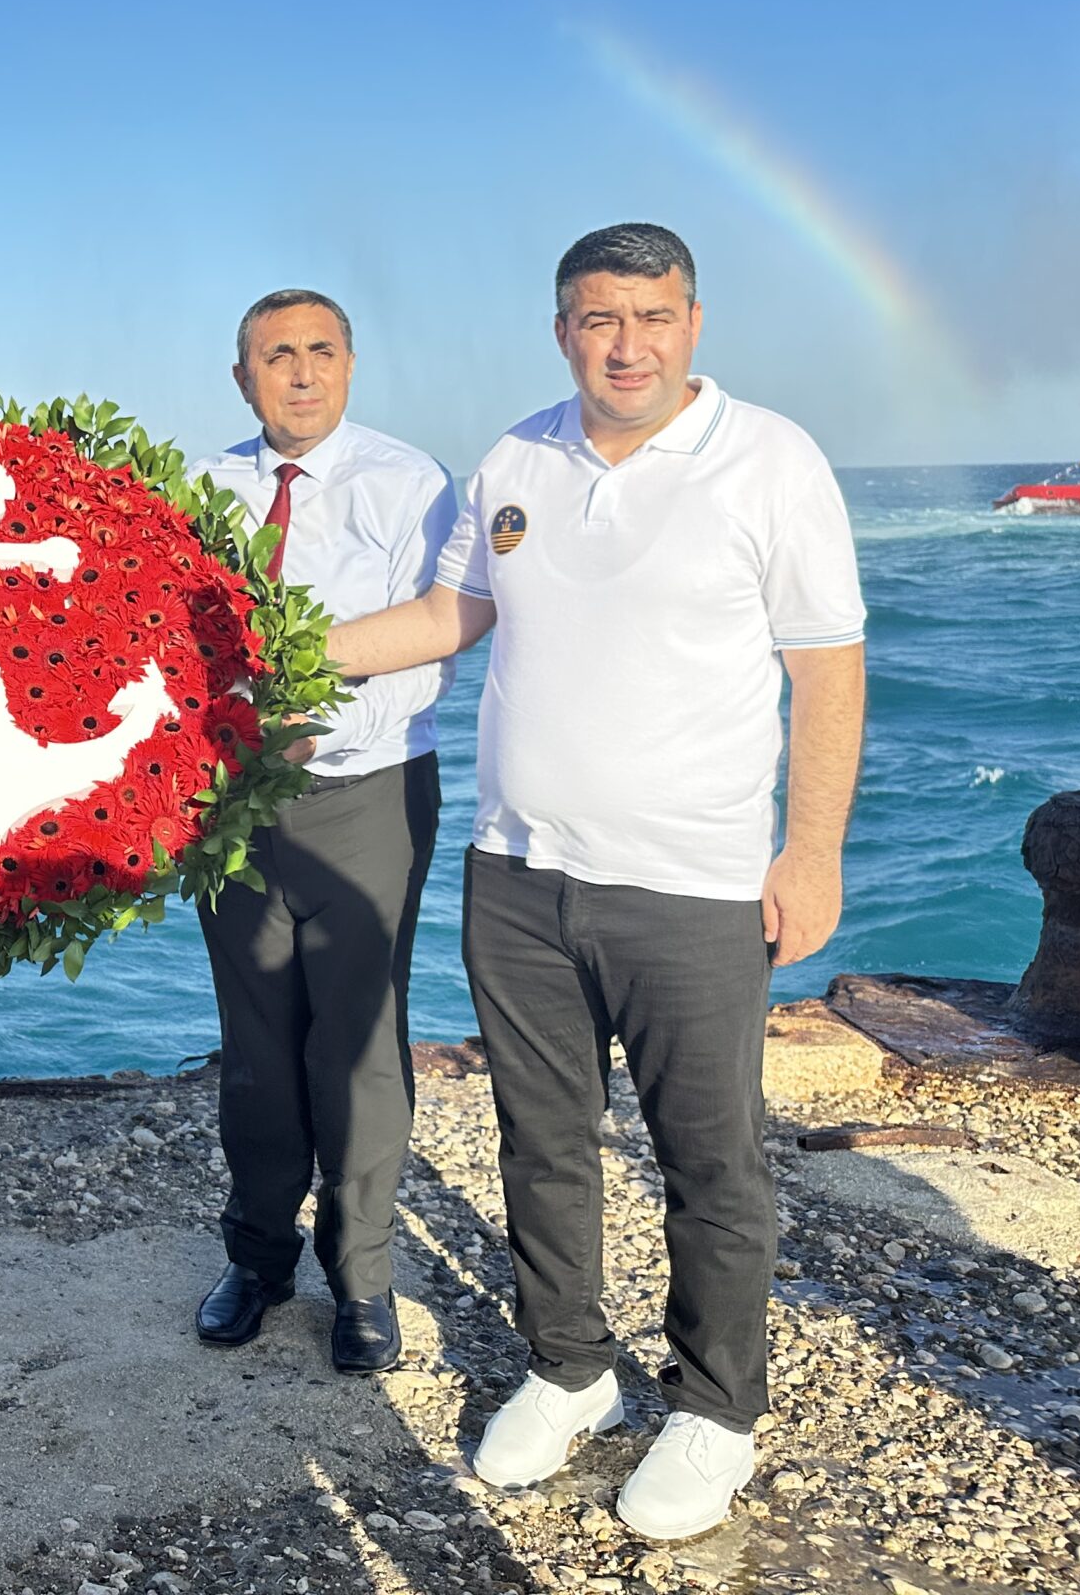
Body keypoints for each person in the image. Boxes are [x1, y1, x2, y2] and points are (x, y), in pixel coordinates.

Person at [324, 223, 865, 1542]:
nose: (628, 345)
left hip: (693, 886)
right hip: (516, 873)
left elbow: (827, 667)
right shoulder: (516, 459)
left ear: (694, 322)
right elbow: (450, 617)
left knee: (709, 1157)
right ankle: (570, 1367)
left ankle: (715, 1408)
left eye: (653, 315)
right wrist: (279, 648)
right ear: (562, 329)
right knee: (541, 1140)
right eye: (599, 319)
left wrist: (809, 855)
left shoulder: (771, 459)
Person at [189, 289, 456, 1373]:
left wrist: (308, 732)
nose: (301, 373)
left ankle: (362, 1279)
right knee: (255, 1049)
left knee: (357, 1045)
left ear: (348, 365)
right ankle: (258, 1260)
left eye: (320, 352)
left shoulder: (409, 482)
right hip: (233, 807)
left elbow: (428, 649)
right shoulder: (202, 488)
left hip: (366, 793)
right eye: (276, 356)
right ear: (242, 377)